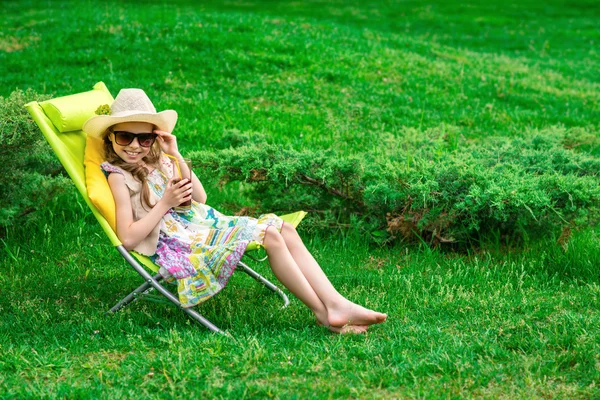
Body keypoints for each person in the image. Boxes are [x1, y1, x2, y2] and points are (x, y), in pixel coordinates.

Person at [83, 88, 387, 334]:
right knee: (272, 235)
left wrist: (175, 155)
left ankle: (336, 303)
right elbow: (129, 238)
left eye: (144, 138)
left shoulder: (160, 161)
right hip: (180, 245)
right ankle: (325, 313)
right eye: (125, 137)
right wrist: (165, 204)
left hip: (200, 225)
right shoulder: (119, 178)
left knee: (284, 228)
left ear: (154, 139)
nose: (134, 145)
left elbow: (199, 196)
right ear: (110, 137)